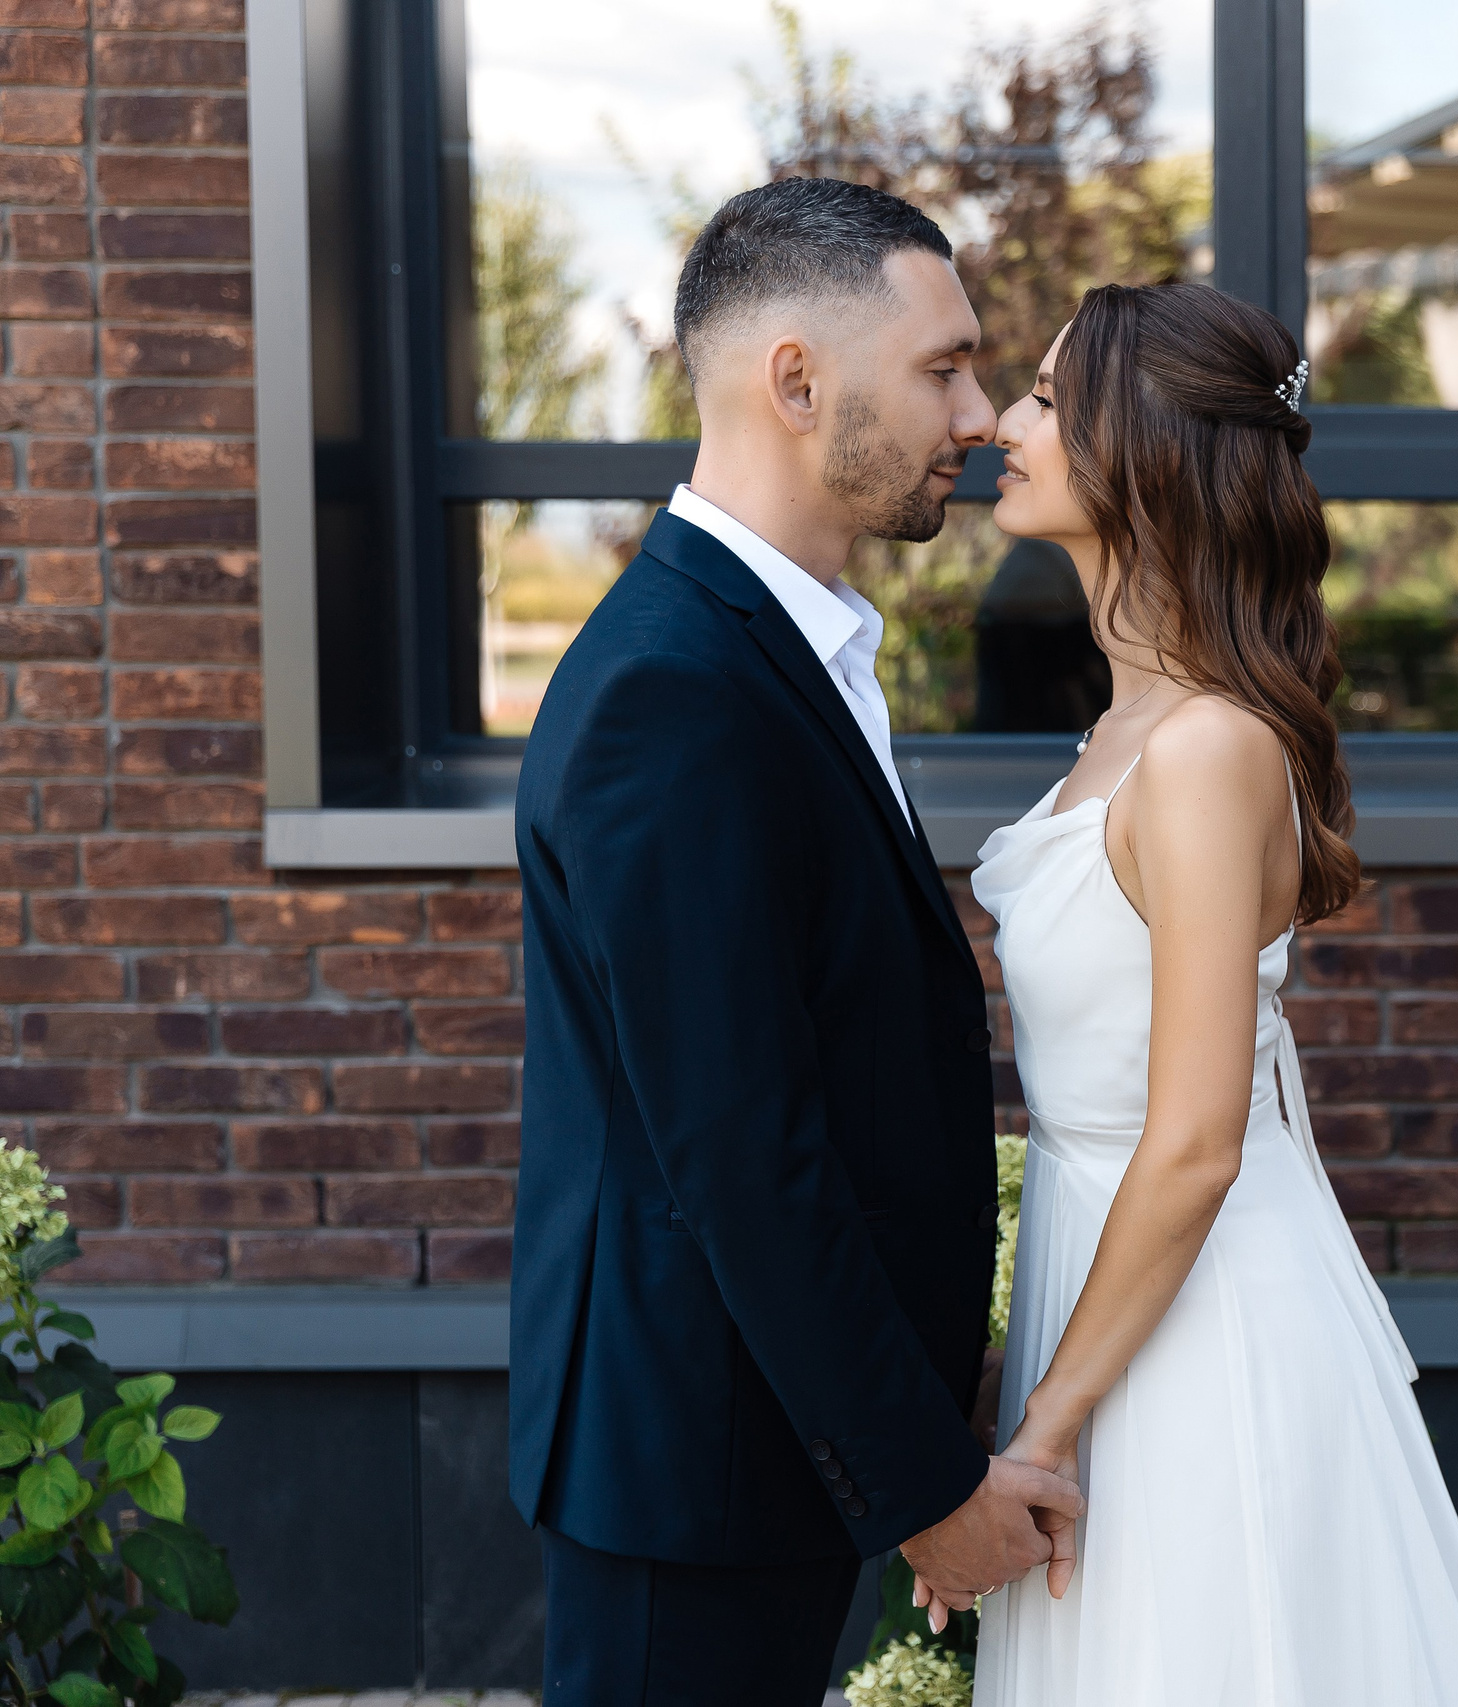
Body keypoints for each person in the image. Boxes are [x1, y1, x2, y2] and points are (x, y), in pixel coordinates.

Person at [510, 177, 1080, 1707]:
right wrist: (923, 1485)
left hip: (759, 1449)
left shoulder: (782, 644)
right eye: (945, 367)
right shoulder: (672, 691)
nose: (980, 415)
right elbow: (738, 1147)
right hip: (697, 1464)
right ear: (797, 381)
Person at [967, 280, 1458, 1705]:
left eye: (1045, 397)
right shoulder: (1128, 723)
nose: (1000, 426)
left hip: (1196, 1321)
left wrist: (1044, 1429)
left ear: (1139, 450)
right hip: (1107, 1282)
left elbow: (1202, 1137)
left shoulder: (1207, 748)